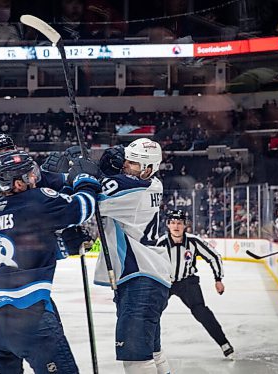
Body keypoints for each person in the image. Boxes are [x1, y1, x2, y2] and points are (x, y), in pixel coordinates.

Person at [0, 150, 101, 373]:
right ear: (17, 183)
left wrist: (62, 246)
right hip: (27, 314)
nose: (35, 177)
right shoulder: (38, 199)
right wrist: (86, 180)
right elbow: (83, 207)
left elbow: (22, 249)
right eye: (29, 174)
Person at [94, 138, 172, 374]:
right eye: (126, 160)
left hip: (140, 279)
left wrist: (95, 173)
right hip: (149, 279)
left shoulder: (134, 189)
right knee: (153, 353)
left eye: (133, 163)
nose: (126, 166)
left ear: (149, 169)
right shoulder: (152, 184)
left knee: (137, 359)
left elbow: (92, 199)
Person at [157, 209, 234, 359]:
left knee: (201, 312)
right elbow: (151, 264)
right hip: (165, 283)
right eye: (173, 223)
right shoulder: (161, 243)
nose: (176, 226)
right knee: (152, 313)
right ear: (168, 225)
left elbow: (214, 257)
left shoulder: (193, 241)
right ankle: (148, 348)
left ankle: (224, 343)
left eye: (179, 223)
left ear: (185, 225)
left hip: (187, 283)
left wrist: (218, 279)